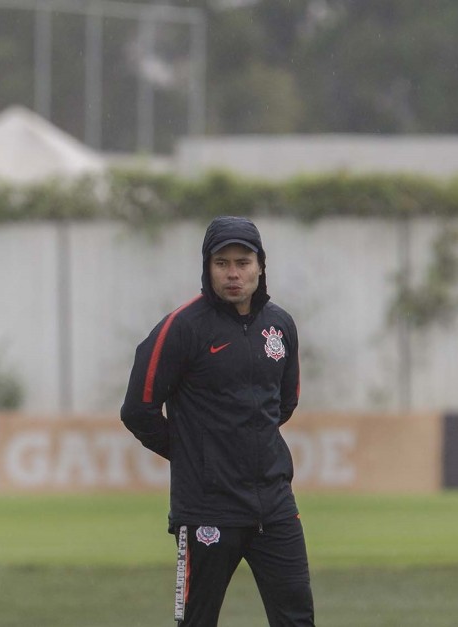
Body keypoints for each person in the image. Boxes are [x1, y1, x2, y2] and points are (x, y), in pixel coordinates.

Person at [120, 216, 314, 626]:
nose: (232, 273)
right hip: (207, 510)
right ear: (207, 268)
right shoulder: (181, 328)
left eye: (242, 262)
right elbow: (138, 409)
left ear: (260, 265)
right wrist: (195, 454)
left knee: (297, 620)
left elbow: (285, 401)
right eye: (221, 263)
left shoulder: (279, 325)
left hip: (275, 506)